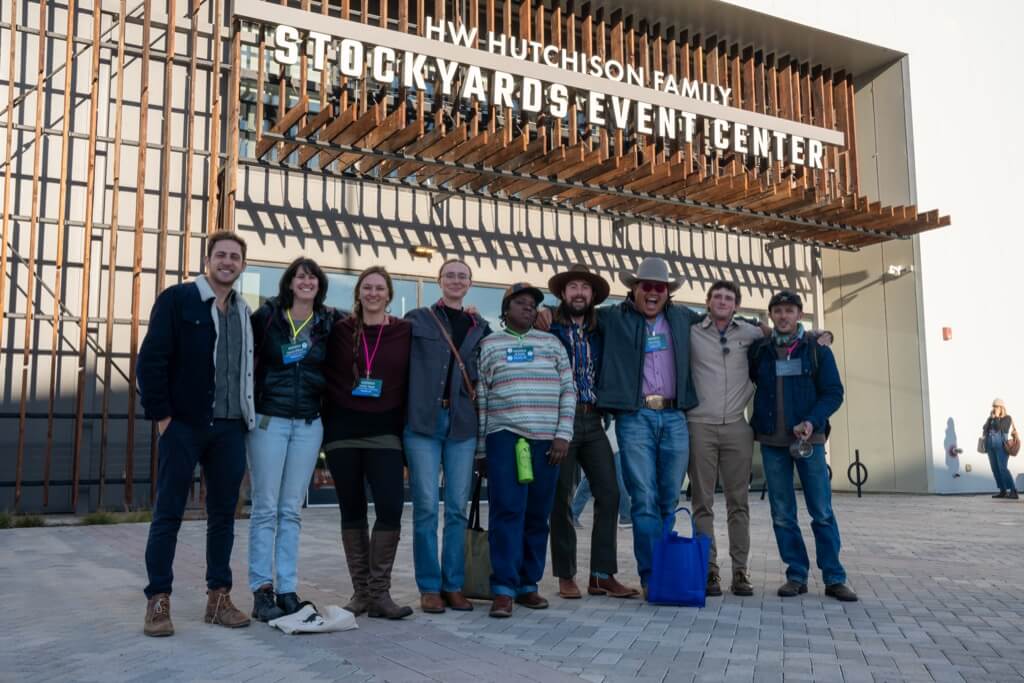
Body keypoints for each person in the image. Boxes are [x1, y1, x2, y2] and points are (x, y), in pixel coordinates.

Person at [137, 231, 256, 637]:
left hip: (228, 428)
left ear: (242, 264)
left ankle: (218, 598)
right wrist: (162, 417)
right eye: (221, 255)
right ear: (208, 260)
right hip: (184, 425)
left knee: (224, 516)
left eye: (235, 257)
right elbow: (151, 359)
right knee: (168, 513)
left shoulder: (243, 311)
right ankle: (158, 600)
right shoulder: (178, 299)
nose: (227, 262)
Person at [596, 257, 702, 600]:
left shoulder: (683, 318)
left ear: (668, 293)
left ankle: (662, 566)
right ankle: (652, 575)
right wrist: (545, 313)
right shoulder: (614, 317)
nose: (654, 293)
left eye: (660, 288)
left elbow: (724, 324)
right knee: (643, 499)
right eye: (647, 287)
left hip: (675, 417)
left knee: (668, 499)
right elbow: (575, 312)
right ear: (634, 290)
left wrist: (763, 328)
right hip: (635, 417)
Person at [748, 290, 857, 602]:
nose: (783, 316)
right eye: (778, 311)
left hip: (810, 441)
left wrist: (812, 420)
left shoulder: (816, 349)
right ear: (771, 316)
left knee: (821, 511)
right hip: (771, 442)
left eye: (789, 310)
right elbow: (740, 325)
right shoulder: (761, 351)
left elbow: (834, 392)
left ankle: (834, 577)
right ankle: (796, 574)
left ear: (799, 315)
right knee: (782, 513)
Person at [247, 257, 339, 621]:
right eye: (301, 276)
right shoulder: (266, 316)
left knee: (290, 511)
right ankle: (261, 589)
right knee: (265, 507)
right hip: (269, 420)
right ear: (289, 282)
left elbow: (371, 321)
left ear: (320, 285)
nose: (307, 281)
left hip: (308, 423)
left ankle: (287, 589)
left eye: (313, 277)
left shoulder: (328, 321)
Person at [476, 283, 576, 618]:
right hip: (505, 438)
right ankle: (503, 588)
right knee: (507, 512)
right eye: (521, 303)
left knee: (537, 514)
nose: (528, 309)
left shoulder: (552, 344)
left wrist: (563, 435)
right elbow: (483, 399)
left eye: (533, 305)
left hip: (548, 442)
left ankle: (528, 585)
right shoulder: (489, 346)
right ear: (506, 309)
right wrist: (481, 450)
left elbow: (568, 390)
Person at [323, 266, 414, 619]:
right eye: (367, 287)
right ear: (358, 293)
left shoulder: (406, 330)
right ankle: (361, 594)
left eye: (380, 288)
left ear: (389, 294)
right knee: (352, 510)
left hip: (386, 431)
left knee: (390, 508)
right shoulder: (339, 330)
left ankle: (380, 593)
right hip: (342, 432)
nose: (373, 293)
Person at [546, 264, 639, 599]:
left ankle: (601, 575)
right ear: (562, 293)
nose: (579, 292)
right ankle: (566, 575)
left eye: (585, 287)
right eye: (573, 286)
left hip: (593, 420)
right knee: (562, 498)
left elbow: (635, 309)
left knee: (610, 493)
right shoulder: (549, 325)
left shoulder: (602, 328)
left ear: (593, 296)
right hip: (560, 422)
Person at [403, 259, 491, 613]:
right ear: (439, 281)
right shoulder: (417, 319)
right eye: (450, 275)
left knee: (456, 508)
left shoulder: (480, 327)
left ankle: (453, 584)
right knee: (425, 506)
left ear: (470, 284)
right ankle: (428, 586)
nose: (456, 280)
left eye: (462, 276)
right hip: (422, 424)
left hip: (462, 426)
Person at [686, 281, 764, 598]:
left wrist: (818, 336)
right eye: (717, 296)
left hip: (736, 426)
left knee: (738, 503)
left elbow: (787, 333)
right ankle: (709, 573)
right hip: (699, 425)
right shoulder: (691, 331)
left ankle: (741, 573)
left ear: (736, 305)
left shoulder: (751, 333)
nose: (722, 301)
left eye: (728, 298)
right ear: (707, 302)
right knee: (702, 502)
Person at [983, 399, 1018, 499]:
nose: (994, 408)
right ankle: (1003, 491)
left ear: (1001, 408)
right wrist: (990, 419)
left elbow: (1000, 429)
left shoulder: (1007, 418)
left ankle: (1013, 490)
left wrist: (997, 417)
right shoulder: (991, 418)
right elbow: (984, 428)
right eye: (993, 406)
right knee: (995, 469)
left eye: (996, 406)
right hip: (990, 445)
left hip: (1001, 446)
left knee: (1002, 468)